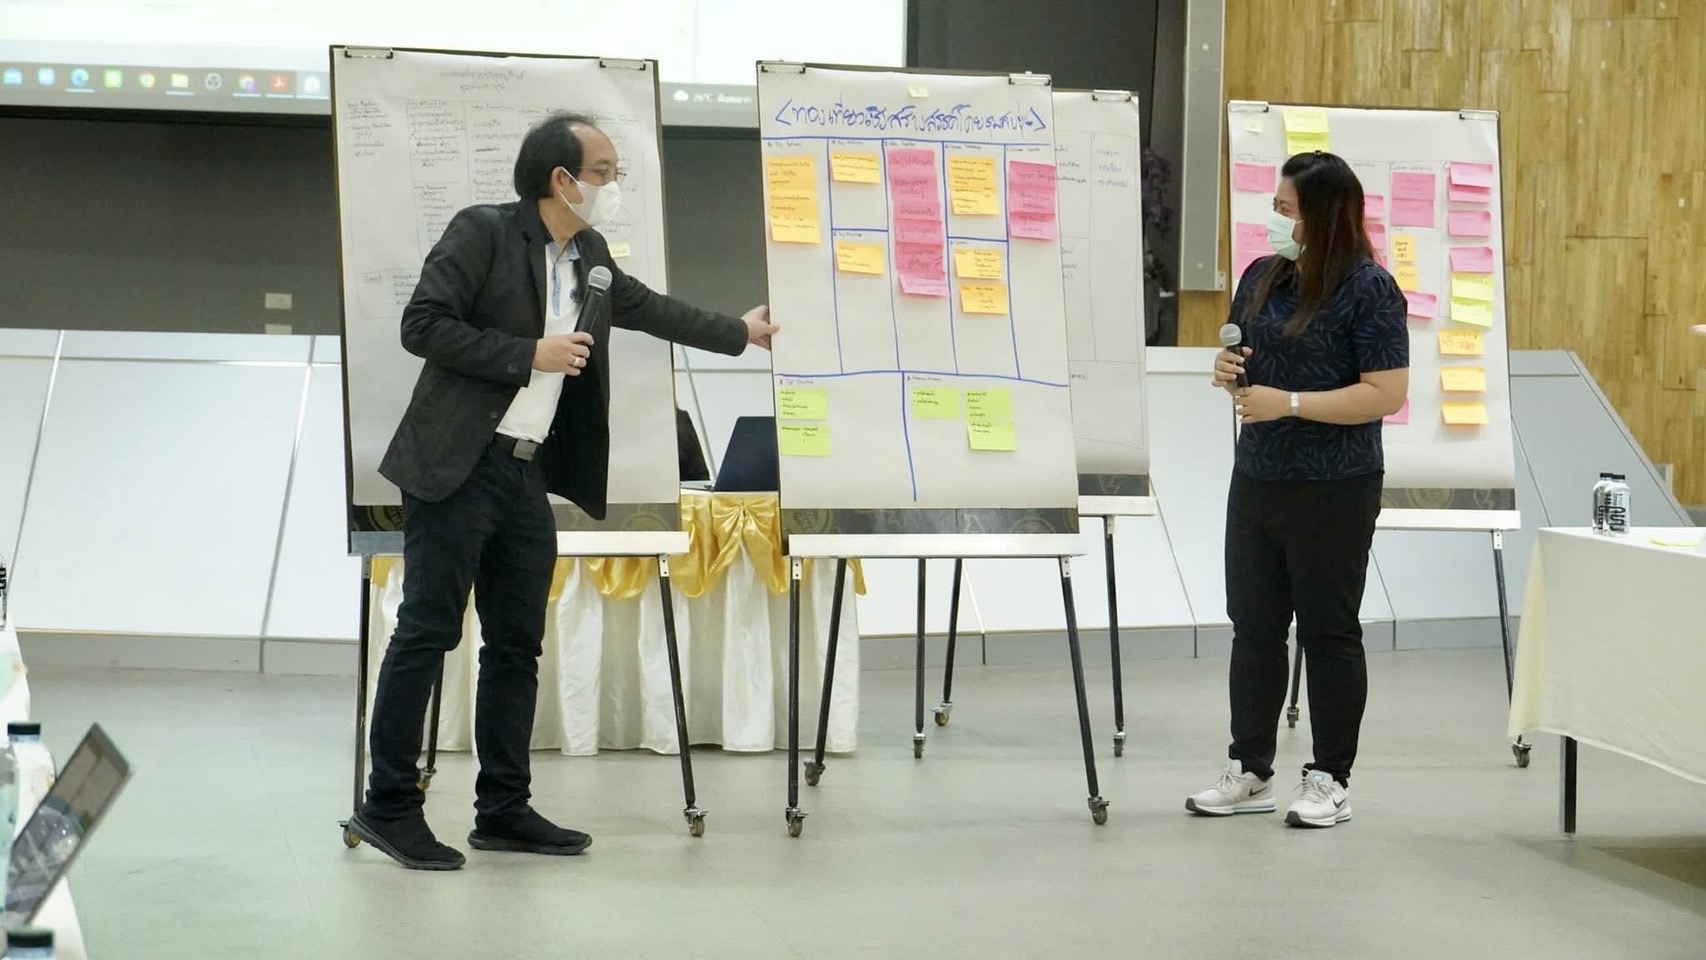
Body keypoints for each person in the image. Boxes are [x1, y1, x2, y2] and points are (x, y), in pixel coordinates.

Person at [346, 112, 778, 870]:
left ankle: (502, 809)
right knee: (427, 632)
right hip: (455, 465)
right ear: (561, 179)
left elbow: (650, 307)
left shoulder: (591, 257)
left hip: (523, 473)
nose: (612, 185)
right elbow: (423, 325)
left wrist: (738, 333)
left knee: (517, 643)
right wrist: (529, 353)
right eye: (604, 172)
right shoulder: (483, 231)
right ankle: (387, 807)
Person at [1187, 151, 1408, 828]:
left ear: (1323, 215)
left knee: (1327, 630)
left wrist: (1287, 403)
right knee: (1253, 627)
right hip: (1259, 477)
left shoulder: (1370, 289)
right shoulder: (1261, 276)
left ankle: (1330, 778)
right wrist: (1227, 369)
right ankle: (1250, 769)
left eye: (1286, 209)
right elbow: (1249, 363)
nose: (1276, 219)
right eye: (1276, 207)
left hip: (1335, 484)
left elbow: (1385, 393)